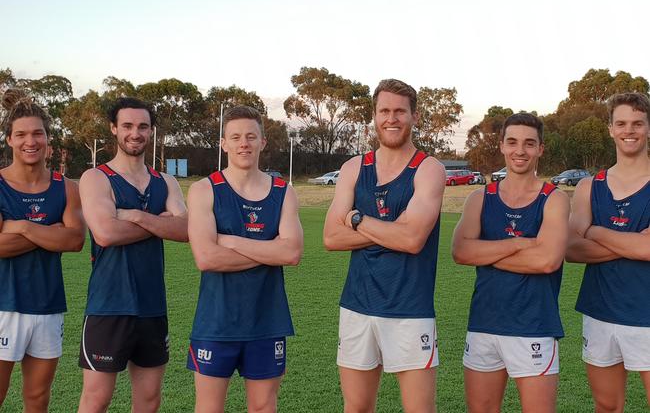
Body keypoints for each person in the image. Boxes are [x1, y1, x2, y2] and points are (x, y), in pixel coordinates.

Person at [323, 79, 446, 413]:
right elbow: (331, 238)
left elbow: (412, 239)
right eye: (384, 111)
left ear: (414, 116)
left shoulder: (429, 169)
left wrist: (357, 219)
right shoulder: (353, 168)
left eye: (400, 111)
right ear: (374, 116)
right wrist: (395, 228)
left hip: (410, 310)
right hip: (357, 307)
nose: (392, 118)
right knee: (357, 407)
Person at [186, 105, 303, 413]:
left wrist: (234, 241)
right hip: (216, 321)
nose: (244, 143)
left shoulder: (283, 192)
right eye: (235, 137)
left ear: (263, 142)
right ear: (223, 143)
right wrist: (269, 250)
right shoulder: (203, 190)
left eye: (251, 136)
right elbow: (207, 258)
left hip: (266, 321)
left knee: (264, 407)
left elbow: (291, 253)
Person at [451, 112, 569, 413]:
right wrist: (518, 243)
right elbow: (461, 252)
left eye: (529, 144)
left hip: (534, 326)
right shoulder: (480, 198)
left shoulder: (554, 199)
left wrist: (487, 253)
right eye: (513, 142)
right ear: (502, 146)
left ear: (540, 149)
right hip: (484, 325)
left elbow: (547, 260)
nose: (520, 151)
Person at [77, 97, 188, 413]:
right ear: (114, 129)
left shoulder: (165, 182)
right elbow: (106, 234)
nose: (135, 133)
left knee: (150, 400)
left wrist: (136, 217)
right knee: (97, 400)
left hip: (152, 306)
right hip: (109, 306)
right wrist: (160, 222)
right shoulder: (96, 178)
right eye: (127, 125)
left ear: (151, 131)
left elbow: (187, 230)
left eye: (142, 126)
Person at [0, 88, 85, 412]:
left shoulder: (67, 187)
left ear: (49, 139)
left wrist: (19, 226)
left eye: (38, 133)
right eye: (21, 134)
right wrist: (52, 232)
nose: (30, 141)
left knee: (37, 399)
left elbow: (75, 241)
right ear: (9, 139)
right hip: (4, 307)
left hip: (48, 307)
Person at [567, 92, 650, 412]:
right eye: (622, 123)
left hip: (645, 313)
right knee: (606, 405)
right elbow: (572, 249)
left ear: (647, 127)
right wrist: (632, 244)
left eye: (637, 123)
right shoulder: (590, 186)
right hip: (600, 311)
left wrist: (594, 230)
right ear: (611, 129)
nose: (629, 130)